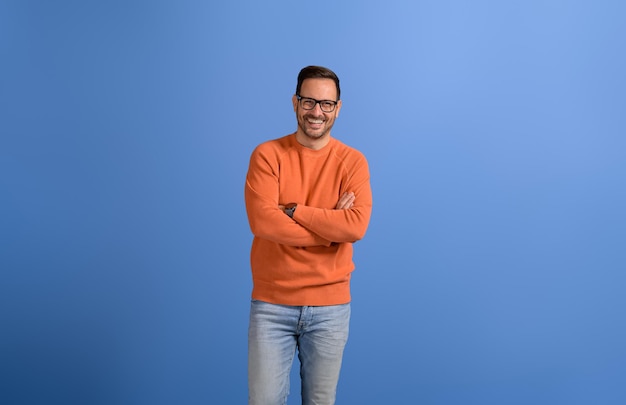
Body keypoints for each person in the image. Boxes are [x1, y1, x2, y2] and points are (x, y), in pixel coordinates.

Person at [244, 65, 373, 405]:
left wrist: (296, 211)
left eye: (326, 104)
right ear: (295, 102)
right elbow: (263, 223)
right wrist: (331, 227)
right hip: (272, 305)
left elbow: (355, 226)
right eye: (309, 101)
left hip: (330, 307)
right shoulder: (267, 156)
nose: (317, 112)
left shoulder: (353, 162)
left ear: (338, 107)